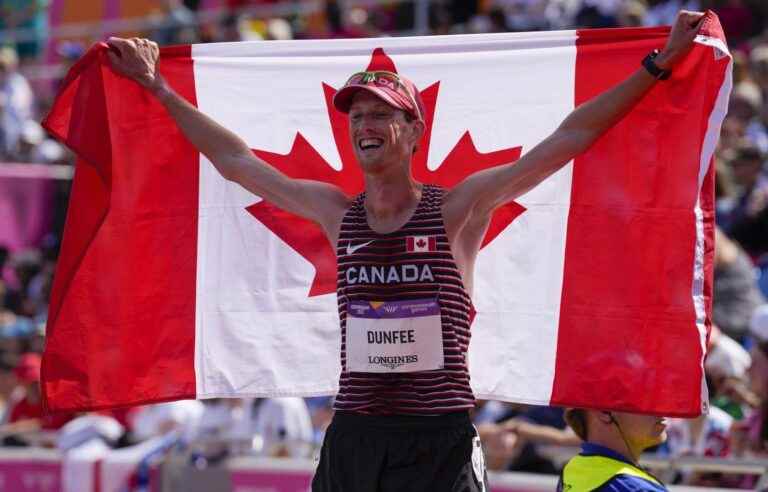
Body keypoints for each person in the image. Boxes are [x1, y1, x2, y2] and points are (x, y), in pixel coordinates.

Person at [106, 10, 704, 491]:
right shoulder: (337, 212)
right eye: (357, 115)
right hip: (357, 437)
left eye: (383, 116)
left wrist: (659, 65)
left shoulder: (457, 209)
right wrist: (156, 85)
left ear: (414, 131)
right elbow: (236, 161)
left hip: (436, 440)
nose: (366, 125)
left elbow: (566, 139)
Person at [560, 408, 669, 491]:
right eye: (645, 397)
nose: (661, 408)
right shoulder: (639, 488)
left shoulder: (571, 470)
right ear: (604, 411)